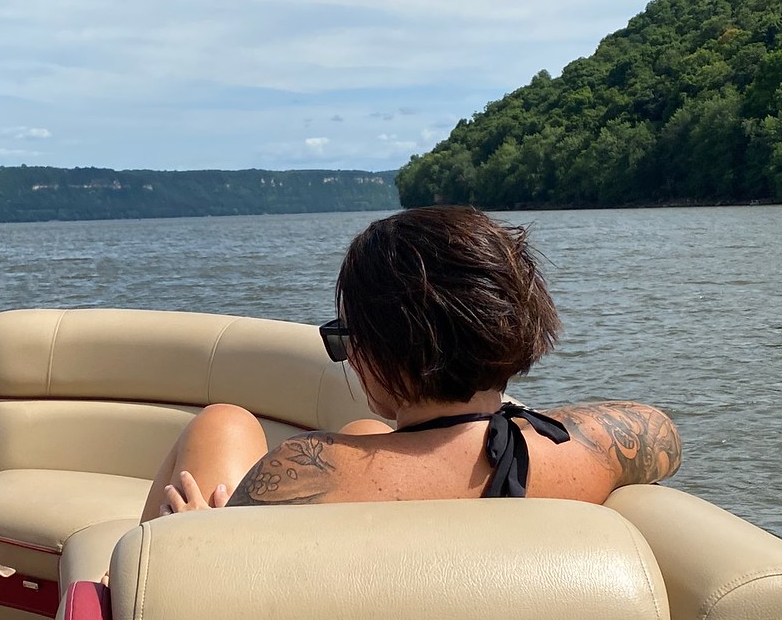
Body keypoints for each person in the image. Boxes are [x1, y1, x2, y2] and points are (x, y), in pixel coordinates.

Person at [139, 205, 681, 519]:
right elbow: (658, 429)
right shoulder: (592, 452)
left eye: (350, 337)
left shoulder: (304, 473)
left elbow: (198, 591)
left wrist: (191, 536)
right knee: (366, 431)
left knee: (222, 421)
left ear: (378, 349)